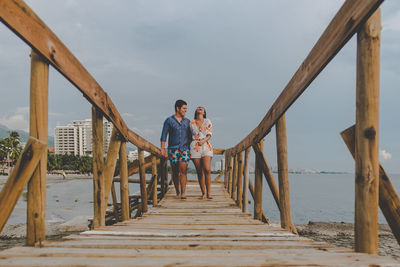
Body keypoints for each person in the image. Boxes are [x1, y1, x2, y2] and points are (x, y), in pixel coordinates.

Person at [160, 100, 191, 199]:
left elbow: (191, 136)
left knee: (183, 170)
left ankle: (183, 193)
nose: (185, 110)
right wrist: (162, 149)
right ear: (178, 108)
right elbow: (164, 135)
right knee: (175, 171)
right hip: (172, 149)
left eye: (186, 109)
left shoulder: (187, 121)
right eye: (184, 108)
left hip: (185, 149)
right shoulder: (169, 120)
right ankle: (177, 192)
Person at [190, 106, 213, 199]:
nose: (200, 108)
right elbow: (189, 136)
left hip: (206, 145)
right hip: (194, 147)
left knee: (207, 169)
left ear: (204, 112)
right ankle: (203, 193)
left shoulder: (208, 121)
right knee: (199, 171)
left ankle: (209, 193)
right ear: (196, 111)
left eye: (202, 108)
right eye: (198, 107)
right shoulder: (191, 123)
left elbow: (209, 134)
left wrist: (203, 141)